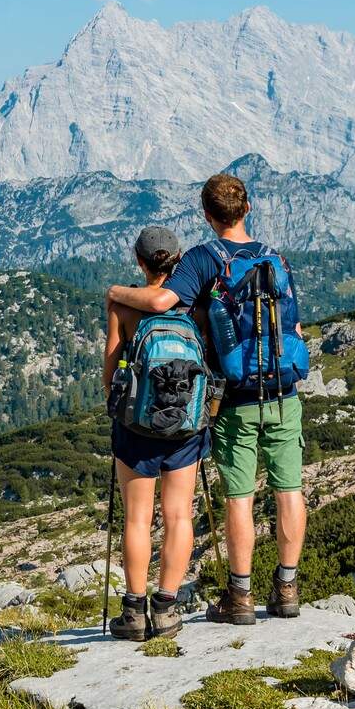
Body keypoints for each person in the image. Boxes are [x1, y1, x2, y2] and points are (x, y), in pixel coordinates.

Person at [107, 173, 305, 626]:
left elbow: (160, 303)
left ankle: (238, 596)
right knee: (288, 489)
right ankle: (287, 588)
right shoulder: (277, 259)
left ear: (206, 214)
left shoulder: (203, 259)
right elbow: (291, 327)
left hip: (234, 396)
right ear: (248, 208)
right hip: (284, 391)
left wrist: (116, 295)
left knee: (239, 497)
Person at [103, 225, 200, 641]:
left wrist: (119, 407)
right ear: (178, 261)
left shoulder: (123, 306)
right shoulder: (192, 304)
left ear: (140, 262)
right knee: (179, 515)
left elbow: (110, 370)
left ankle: (133, 612)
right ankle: (166, 610)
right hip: (184, 425)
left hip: (137, 427)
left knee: (138, 518)